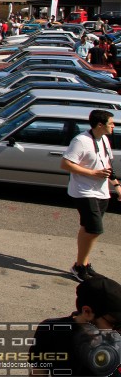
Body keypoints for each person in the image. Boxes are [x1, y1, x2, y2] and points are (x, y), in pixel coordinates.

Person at [62, 109, 118, 282]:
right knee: (95, 229)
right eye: (111, 123)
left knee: (88, 228)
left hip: (101, 191)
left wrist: (116, 184)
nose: (114, 126)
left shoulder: (104, 140)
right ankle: (79, 266)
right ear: (100, 125)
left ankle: (83, 263)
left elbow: (106, 165)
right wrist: (92, 173)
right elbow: (65, 164)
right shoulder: (81, 141)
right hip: (84, 191)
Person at [32, 275, 121, 377]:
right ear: (87, 312)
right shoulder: (50, 331)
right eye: (115, 323)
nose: (118, 331)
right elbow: (38, 373)